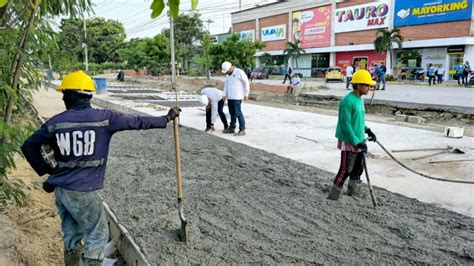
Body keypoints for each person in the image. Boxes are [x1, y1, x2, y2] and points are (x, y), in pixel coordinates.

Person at [21, 70, 181, 266]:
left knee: (71, 234)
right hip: (86, 191)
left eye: (64, 94)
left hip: (62, 191)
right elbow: (136, 121)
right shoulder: (105, 118)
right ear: (87, 95)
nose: (63, 98)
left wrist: (47, 169)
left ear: (71, 95)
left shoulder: (55, 123)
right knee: (97, 234)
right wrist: (165, 118)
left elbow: (28, 145)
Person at [327, 69, 377, 201]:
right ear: (359, 85)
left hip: (359, 140)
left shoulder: (359, 100)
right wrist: (356, 142)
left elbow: (358, 121)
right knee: (345, 170)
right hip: (349, 141)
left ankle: (354, 193)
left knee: (357, 170)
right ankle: (334, 195)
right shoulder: (347, 101)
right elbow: (345, 125)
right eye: (367, 85)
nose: (369, 88)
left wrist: (368, 130)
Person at [221, 61, 250, 136]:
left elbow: (246, 82)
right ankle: (232, 128)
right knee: (232, 113)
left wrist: (246, 94)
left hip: (237, 96)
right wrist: (225, 94)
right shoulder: (228, 74)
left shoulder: (239, 72)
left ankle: (242, 129)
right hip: (230, 97)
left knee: (238, 113)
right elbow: (226, 84)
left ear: (231, 68)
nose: (226, 73)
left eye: (227, 71)